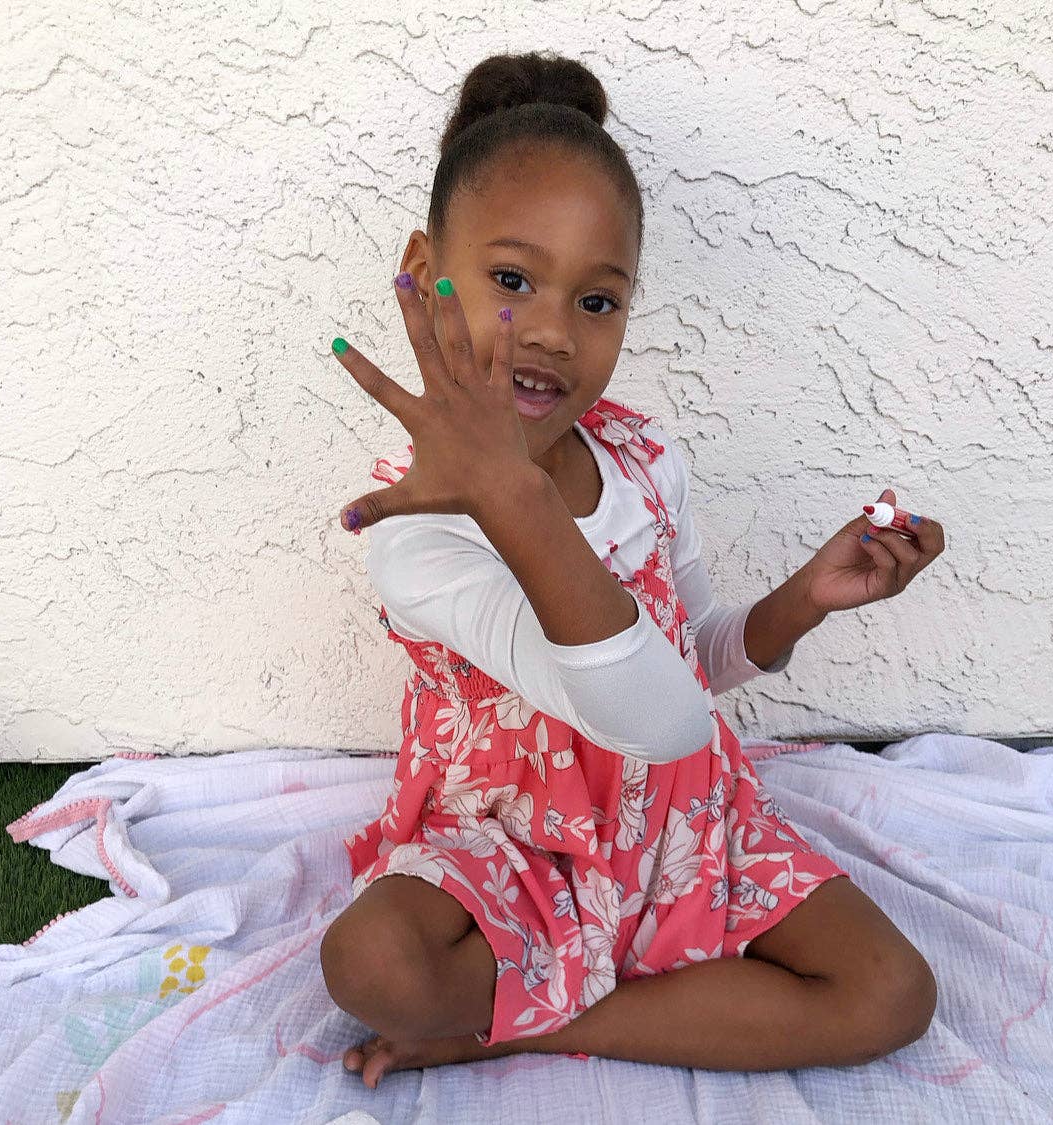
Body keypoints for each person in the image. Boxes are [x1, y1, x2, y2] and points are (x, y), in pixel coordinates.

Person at [319, 50, 944, 1091]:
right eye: (511, 281)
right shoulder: (414, 523)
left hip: (686, 817)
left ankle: (520, 1024)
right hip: (519, 845)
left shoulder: (643, 458)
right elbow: (635, 711)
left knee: (893, 993)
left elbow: (684, 681)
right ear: (426, 269)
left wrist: (802, 603)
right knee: (373, 960)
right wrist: (512, 498)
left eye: (599, 301)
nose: (555, 333)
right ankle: (561, 979)